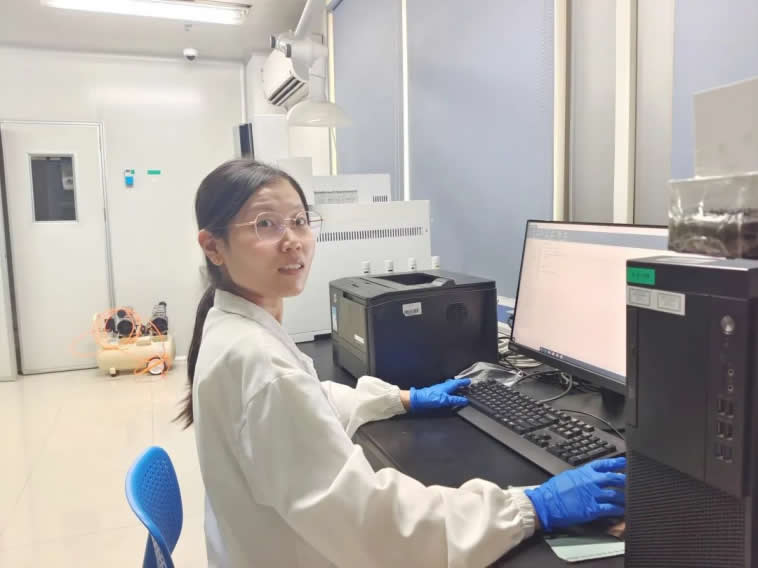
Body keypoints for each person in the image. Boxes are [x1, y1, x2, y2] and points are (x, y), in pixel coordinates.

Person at [179, 159, 626, 568]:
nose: (292, 240)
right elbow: (376, 527)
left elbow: (308, 400)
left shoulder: (232, 328)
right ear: (213, 246)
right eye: (265, 224)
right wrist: (532, 507)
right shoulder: (260, 364)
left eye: (299, 221)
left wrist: (400, 399)